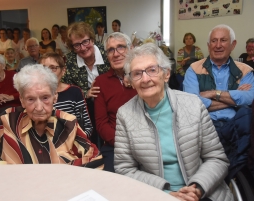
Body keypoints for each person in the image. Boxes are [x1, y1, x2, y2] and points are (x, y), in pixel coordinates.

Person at [115, 43, 233, 201]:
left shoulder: (193, 104)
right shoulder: (125, 114)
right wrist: (166, 194)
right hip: (154, 194)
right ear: (130, 81)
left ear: (166, 74)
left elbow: (217, 158)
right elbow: (125, 169)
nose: (145, 79)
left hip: (202, 191)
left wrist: (197, 188)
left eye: (152, 70)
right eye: (137, 73)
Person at [0, 64, 103, 168]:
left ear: (55, 97)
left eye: (45, 98)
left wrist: (64, 171)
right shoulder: (6, 121)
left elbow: (94, 159)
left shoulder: (68, 123)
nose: (39, 107)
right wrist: (17, 172)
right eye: (31, 99)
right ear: (21, 100)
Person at [183, 24, 254, 181]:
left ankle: (233, 179)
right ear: (208, 46)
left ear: (233, 44)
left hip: (236, 126)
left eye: (223, 40)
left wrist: (214, 93)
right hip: (206, 125)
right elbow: (192, 101)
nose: (218, 45)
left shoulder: (246, 70)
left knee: (247, 115)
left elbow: (250, 98)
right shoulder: (194, 69)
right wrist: (234, 100)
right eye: (214, 41)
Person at [62, 21, 110, 145]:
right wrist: (85, 93)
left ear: (92, 40)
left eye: (85, 42)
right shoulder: (70, 61)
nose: (83, 48)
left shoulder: (107, 53)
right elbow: (66, 87)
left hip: (109, 103)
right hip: (85, 107)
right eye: (77, 45)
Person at [94, 32, 136, 172]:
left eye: (120, 47)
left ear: (130, 49)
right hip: (115, 146)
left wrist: (132, 75)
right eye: (111, 50)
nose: (116, 54)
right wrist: (121, 143)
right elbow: (101, 124)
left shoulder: (143, 76)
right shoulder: (101, 82)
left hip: (145, 144)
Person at [40, 52, 93, 137]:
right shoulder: (36, 95)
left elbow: (87, 127)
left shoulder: (74, 92)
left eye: (53, 68)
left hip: (73, 144)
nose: (48, 73)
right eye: (44, 69)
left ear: (63, 71)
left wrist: (72, 143)